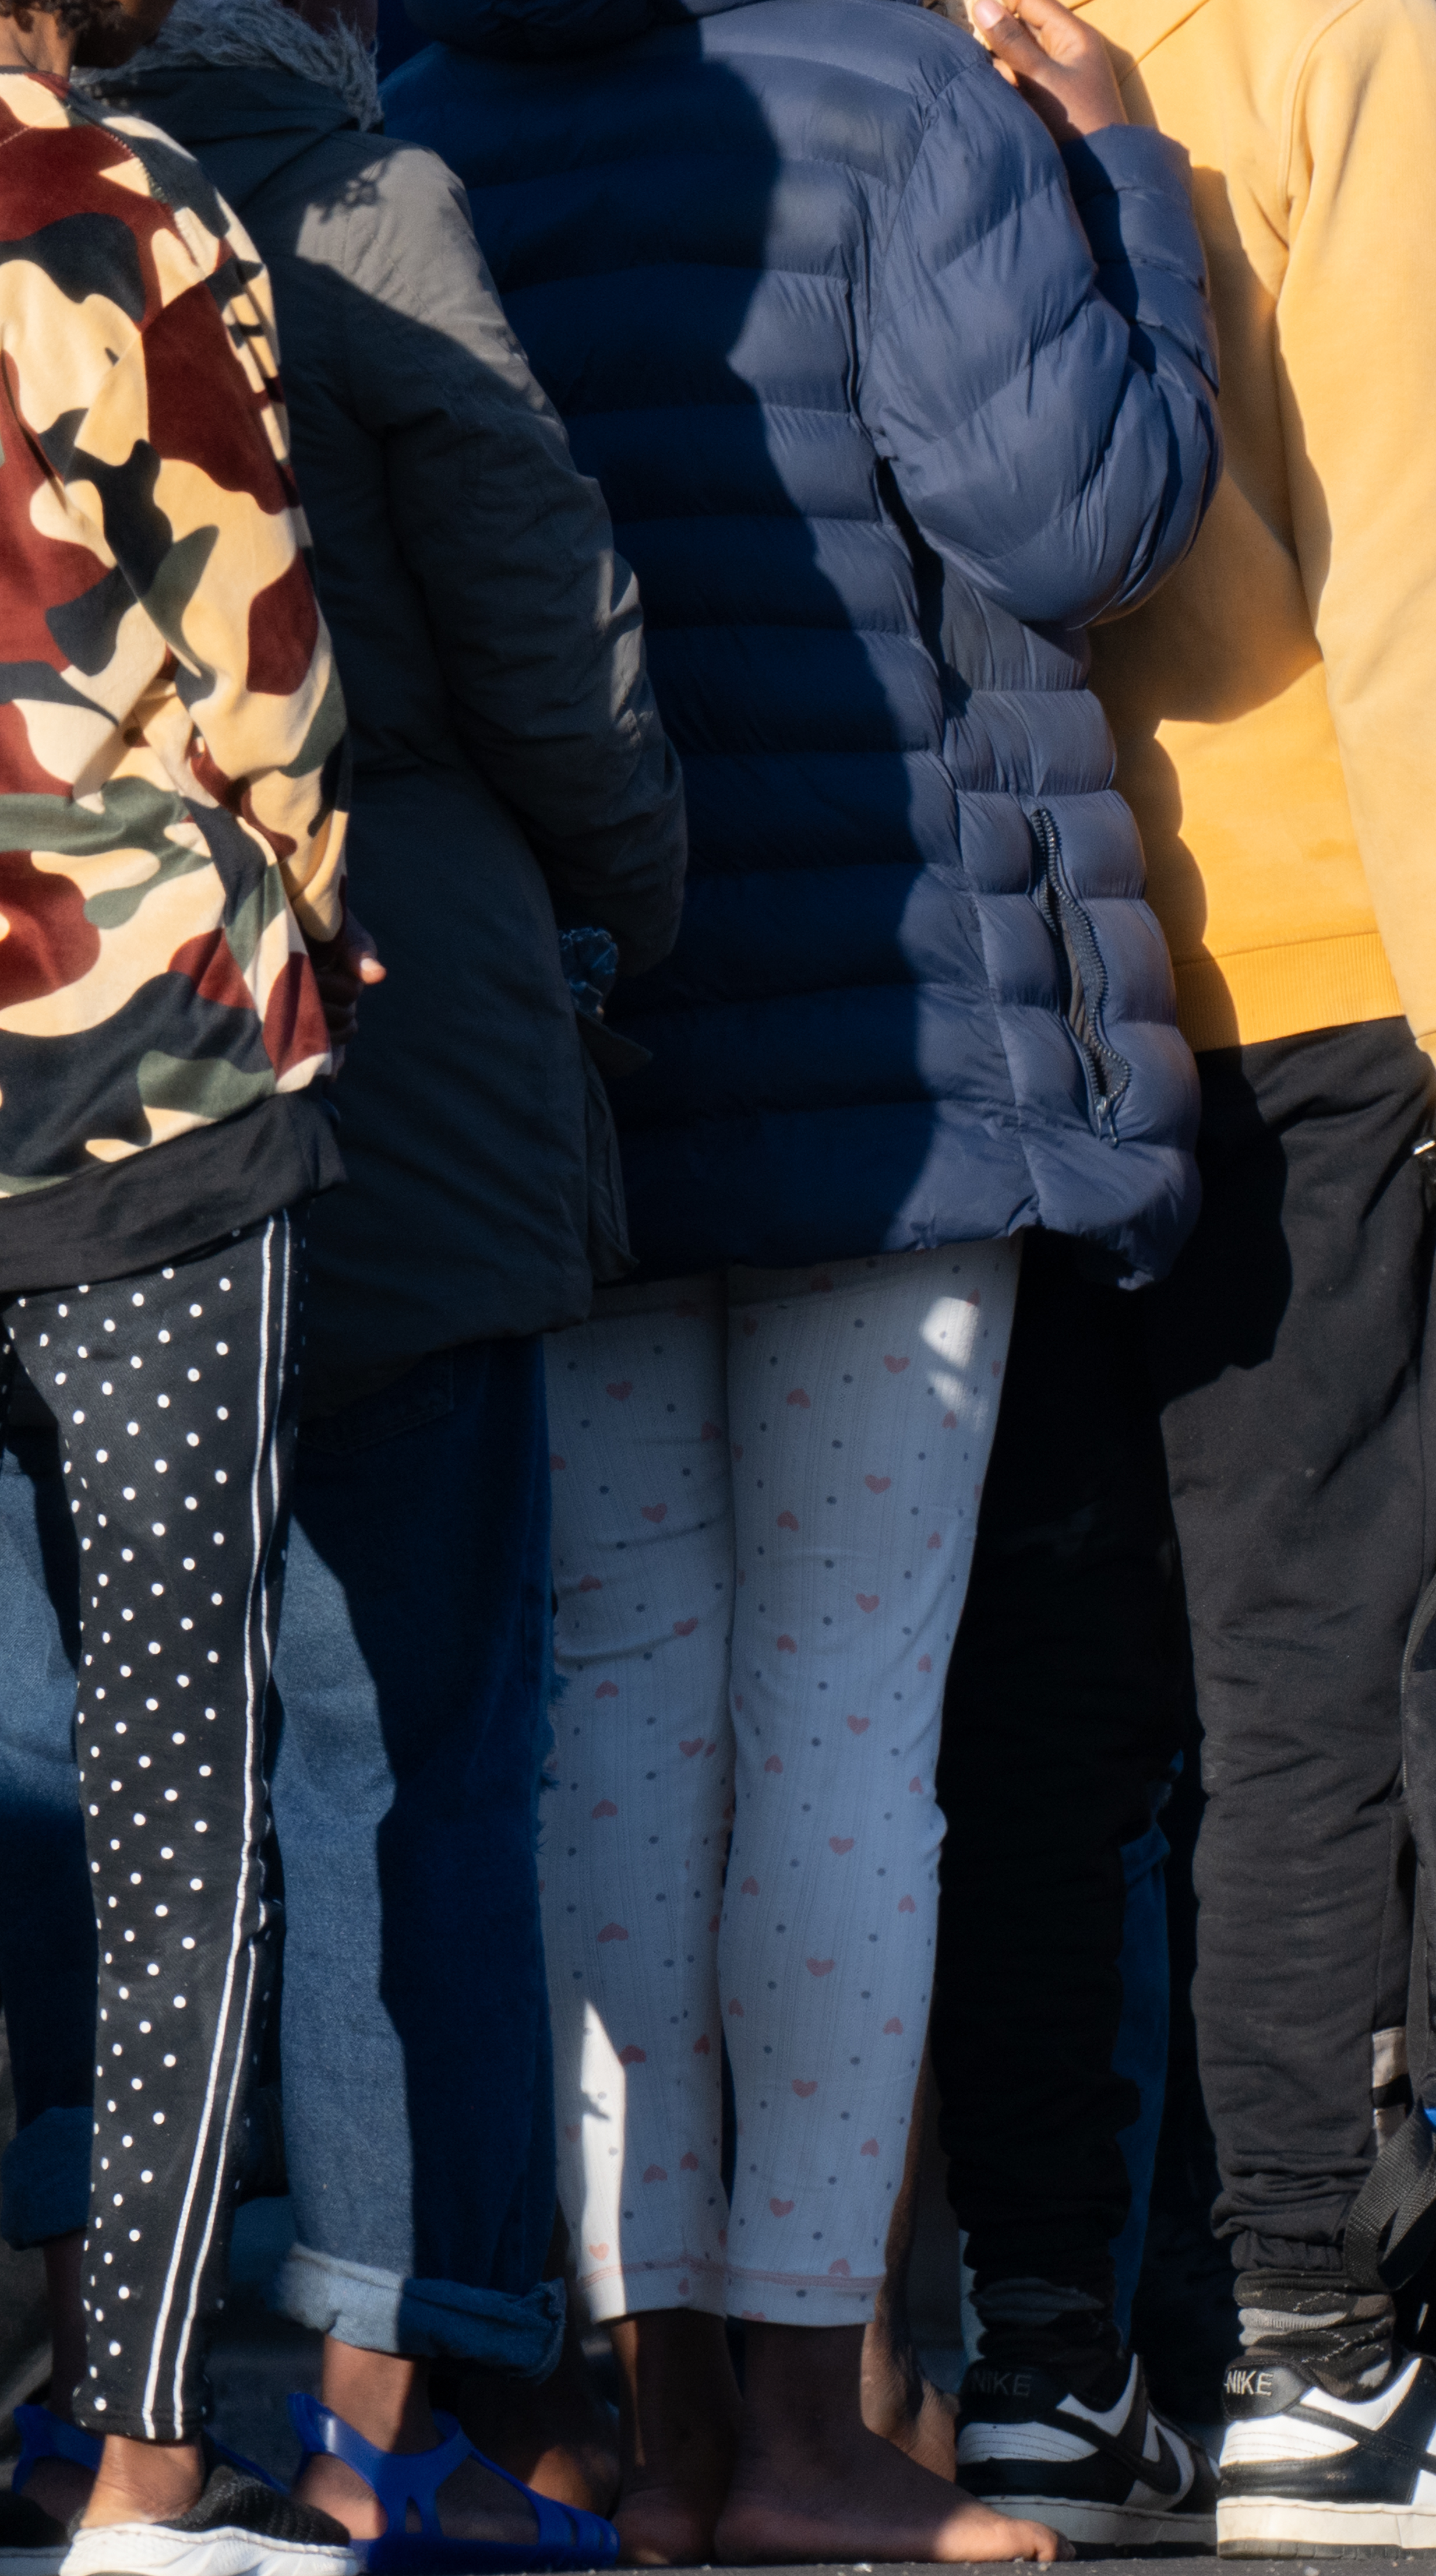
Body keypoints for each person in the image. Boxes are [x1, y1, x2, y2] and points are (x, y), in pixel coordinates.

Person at [386, 0, 1219, 2557]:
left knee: (623, 1730)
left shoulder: (424, 131)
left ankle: (655, 2428)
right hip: (899, 1033)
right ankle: (808, 2419)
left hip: (586, 1035)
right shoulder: (904, 98)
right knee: (851, 1731)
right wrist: (1134, 193)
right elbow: (1080, 517)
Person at [0, 0, 693, 2557]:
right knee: (399, 1730)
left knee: (56, 1738)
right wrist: (621, 892)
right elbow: (507, 598)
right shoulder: (305, 199)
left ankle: (75, 2362)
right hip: (276, 1027)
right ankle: (390, 2402)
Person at [919, 0, 1436, 2550]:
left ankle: (1046, 2362)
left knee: (1042, 1717)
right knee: (1301, 1690)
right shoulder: (1348, 37)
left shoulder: (917, 33)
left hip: (1009, 980)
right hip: (1309, 973)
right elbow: (1410, 560)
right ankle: (1317, 2349)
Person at [0, 0, 374, 2560]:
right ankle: (143, 2453)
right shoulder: (112, 196)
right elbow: (263, 646)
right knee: (174, 1784)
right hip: (140, 1071)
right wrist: (309, 912)